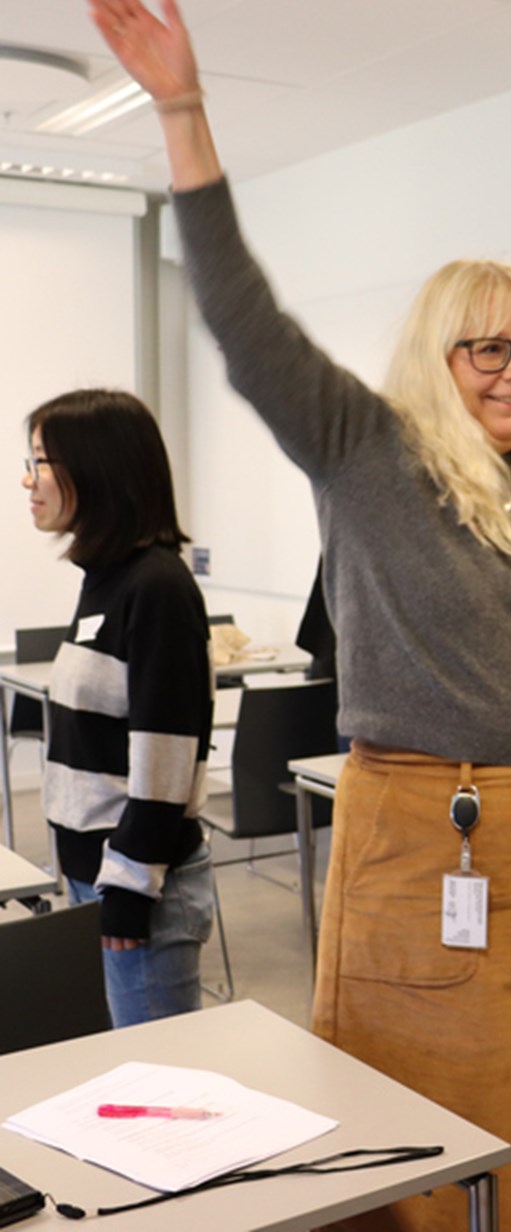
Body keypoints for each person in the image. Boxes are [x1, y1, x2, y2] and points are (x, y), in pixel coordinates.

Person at [82, 0, 511, 1231]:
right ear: (437, 355)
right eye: (485, 346)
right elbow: (243, 313)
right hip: (419, 840)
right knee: (420, 1118)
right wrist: (182, 115)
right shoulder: (364, 447)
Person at [21, 388, 213, 1028]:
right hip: (99, 877)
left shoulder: (155, 587)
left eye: (42, 461)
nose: (29, 478)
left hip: (140, 890)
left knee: (159, 1088)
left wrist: (129, 891)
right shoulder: (104, 577)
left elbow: (165, 760)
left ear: (95, 470)